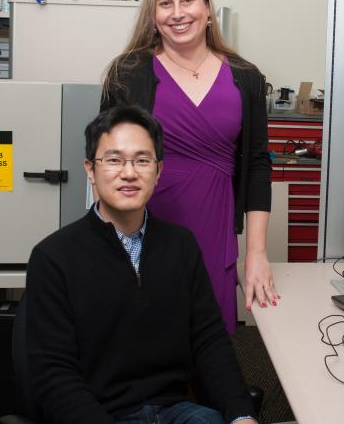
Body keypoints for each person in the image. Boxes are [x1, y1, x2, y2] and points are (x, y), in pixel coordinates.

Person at [25, 106, 257, 424]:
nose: (129, 173)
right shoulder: (54, 257)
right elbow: (53, 372)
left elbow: (209, 341)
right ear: (90, 169)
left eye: (142, 160)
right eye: (114, 160)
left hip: (177, 409)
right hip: (101, 414)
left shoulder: (181, 246)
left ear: (158, 171)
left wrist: (241, 413)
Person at [102, 0, 277, 333]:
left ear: (207, 8)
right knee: (142, 346)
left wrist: (257, 254)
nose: (178, 13)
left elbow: (258, 165)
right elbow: (106, 164)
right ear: (152, 16)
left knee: (208, 349)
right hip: (143, 233)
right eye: (165, 4)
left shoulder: (246, 77)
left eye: (187, 0)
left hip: (214, 232)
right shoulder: (128, 74)